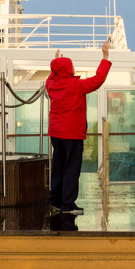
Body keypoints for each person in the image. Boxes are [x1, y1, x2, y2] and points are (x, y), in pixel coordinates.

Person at [45, 40, 110, 215]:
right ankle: (67, 205)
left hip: (56, 134)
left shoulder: (51, 85)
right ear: (68, 69)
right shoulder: (75, 86)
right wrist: (105, 57)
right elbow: (98, 80)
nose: (73, 68)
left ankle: (54, 200)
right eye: (71, 66)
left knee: (58, 166)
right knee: (71, 169)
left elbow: (50, 77)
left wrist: (55, 64)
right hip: (72, 135)